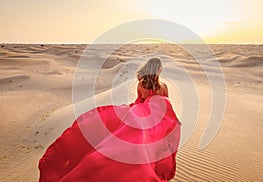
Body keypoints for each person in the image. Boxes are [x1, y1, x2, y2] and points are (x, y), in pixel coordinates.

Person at [38, 57, 181, 182]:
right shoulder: (163, 87)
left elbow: (141, 101)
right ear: (158, 70)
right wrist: (173, 120)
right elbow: (166, 105)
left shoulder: (141, 85)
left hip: (142, 115)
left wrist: (130, 113)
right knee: (156, 144)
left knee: (135, 141)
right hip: (158, 119)